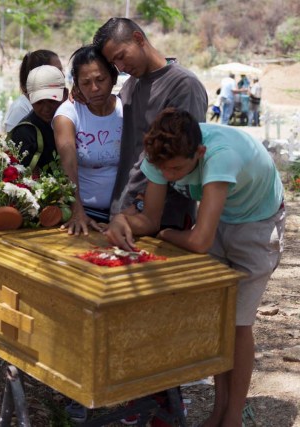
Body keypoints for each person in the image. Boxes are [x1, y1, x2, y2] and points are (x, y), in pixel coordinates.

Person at [105, 108, 285, 427]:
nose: (170, 176)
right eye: (164, 169)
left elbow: (199, 240)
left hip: (258, 224)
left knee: (238, 324)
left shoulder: (220, 156)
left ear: (199, 153)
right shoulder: (163, 154)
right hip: (223, 216)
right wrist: (121, 219)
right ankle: (219, 409)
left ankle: (232, 417)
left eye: (176, 169)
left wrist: (168, 234)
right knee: (219, 318)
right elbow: (148, 219)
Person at [92, 17, 208, 231]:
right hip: (124, 211)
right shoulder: (131, 86)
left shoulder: (183, 86)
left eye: (121, 57)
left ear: (138, 39)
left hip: (164, 217)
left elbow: (180, 155)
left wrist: (138, 204)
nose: (121, 67)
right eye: (114, 63)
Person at [53, 44, 123, 235]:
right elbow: (68, 164)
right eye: (86, 83)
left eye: (101, 79)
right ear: (76, 84)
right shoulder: (67, 114)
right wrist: (77, 211)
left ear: (114, 78)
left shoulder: (126, 110)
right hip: (84, 213)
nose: (94, 88)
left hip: (123, 214)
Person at [9, 65, 68, 171]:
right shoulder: (25, 133)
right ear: (28, 98)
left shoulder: (75, 120)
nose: (46, 108)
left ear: (65, 95)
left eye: (52, 101)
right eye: (39, 102)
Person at [4, 50, 63, 133]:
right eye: (57, 70)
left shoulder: (60, 100)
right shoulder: (21, 107)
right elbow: (13, 143)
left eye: (61, 70)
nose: (62, 75)